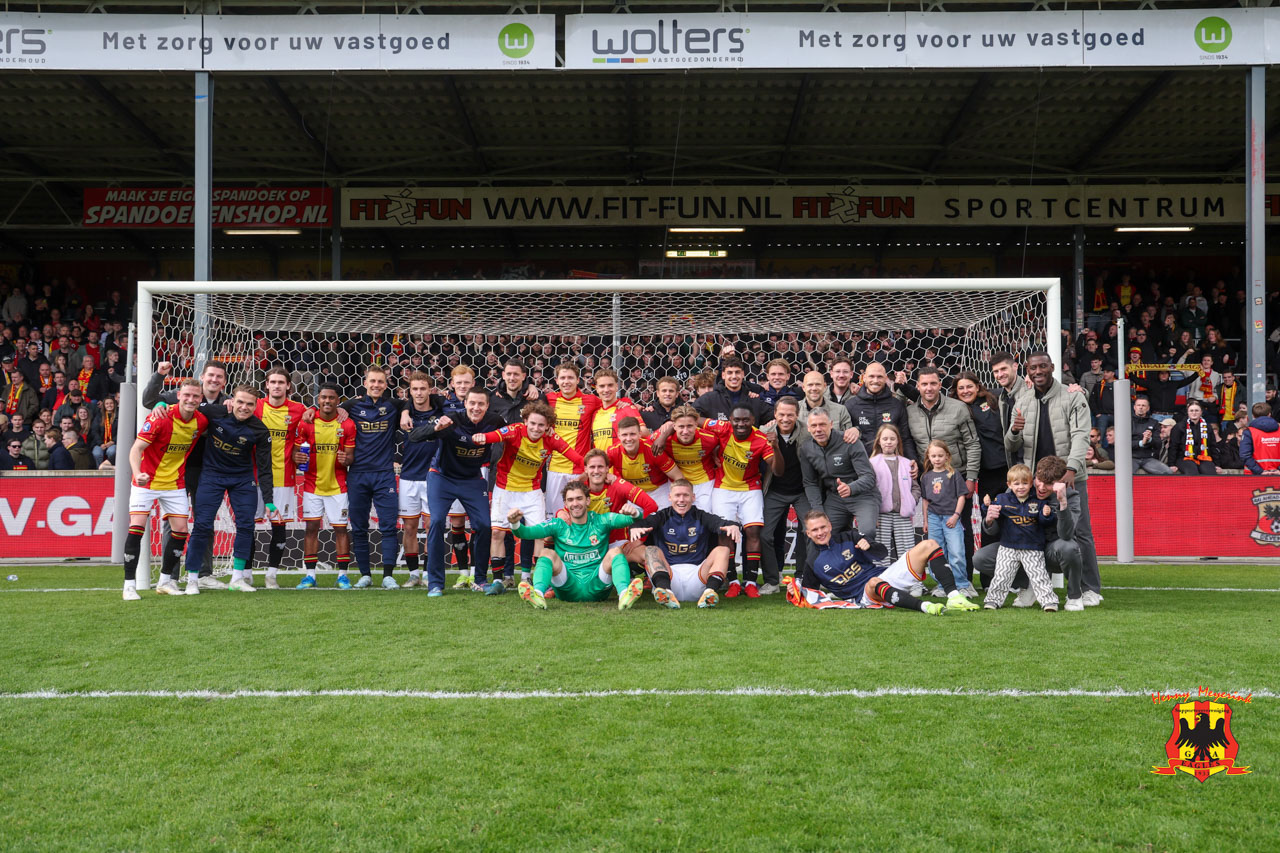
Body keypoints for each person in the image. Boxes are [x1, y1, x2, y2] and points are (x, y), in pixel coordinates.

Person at [1002, 351, 1100, 604]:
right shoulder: (1022, 401)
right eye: (1033, 368)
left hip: (1068, 477)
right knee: (1031, 532)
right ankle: (1035, 586)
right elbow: (1011, 445)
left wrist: (1072, 469)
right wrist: (1014, 431)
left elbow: (1081, 435)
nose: (1038, 372)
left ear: (1052, 367)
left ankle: (1090, 589)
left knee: (1080, 532)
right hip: (1036, 483)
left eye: (1043, 366)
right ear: (1027, 370)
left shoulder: (1073, 396)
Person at [471, 400, 583, 595]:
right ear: (525, 421)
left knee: (540, 535)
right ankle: (498, 581)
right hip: (505, 489)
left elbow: (576, 458)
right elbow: (494, 436)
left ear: (548, 426)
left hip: (532, 492)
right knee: (497, 533)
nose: (536, 428)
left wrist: (590, 470)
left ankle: (540, 580)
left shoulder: (552, 438)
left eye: (541, 425)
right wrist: (482, 437)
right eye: (532, 423)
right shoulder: (515, 430)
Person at [143, 359, 229, 587]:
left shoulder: (230, 403)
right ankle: (169, 575)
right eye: (210, 375)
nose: (214, 380)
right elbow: (149, 400)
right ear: (202, 377)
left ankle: (204, 573)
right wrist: (159, 378)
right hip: (176, 469)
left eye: (219, 377)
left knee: (204, 521)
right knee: (174, 522)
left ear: (224, 381)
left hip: (209, 470)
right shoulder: (184, 395)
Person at [121, 380, 209, 601]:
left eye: (196, 396)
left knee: (181, 530)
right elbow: (135, 449)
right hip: (147, 482)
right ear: (179, 395)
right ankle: (129, 586)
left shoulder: (201, 421)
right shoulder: (159, 417)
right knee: (137, 528)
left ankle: (164, 581)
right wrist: (137, 472)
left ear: (201, 399)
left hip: (175, 484)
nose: (191, 400)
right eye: (187, 395)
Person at [414, 387, 505, 595]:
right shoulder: (451, 419)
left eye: (481, 404)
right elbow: (414, 437)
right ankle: (436, 583)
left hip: (472, 480)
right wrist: (436, 428)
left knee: (483, 524)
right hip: (442, 477)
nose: (476, 407)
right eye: (472, 403)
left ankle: (480, 579)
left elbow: (514, 433)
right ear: (465, 403)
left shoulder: (495, 422)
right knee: (436, 521)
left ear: (487, 406)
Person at [184, 385, 274, 594]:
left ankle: (237, 578)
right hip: (211, 476)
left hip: (242, 479)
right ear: (232, 401)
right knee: (202, 525)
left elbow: (264, 467)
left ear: (255, 406)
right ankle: (192, 579)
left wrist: (268, 500)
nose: (244, 407)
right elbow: (187, 405)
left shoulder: (260, 430)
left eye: (249, 404)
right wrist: (162, 404)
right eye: (240, 402)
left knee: (245, 525)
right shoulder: (214, 414)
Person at [796, 510, 976, 614]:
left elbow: (881, 553)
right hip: (865, 595)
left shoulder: (849, 536)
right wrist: (795, 590)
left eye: (822, 527)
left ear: (829, 526)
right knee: (874, 583)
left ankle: (953, 597)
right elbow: (810, 592)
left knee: (929, 544)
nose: (820, 532)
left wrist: (868, 545)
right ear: (808, 533)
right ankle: (925, 607)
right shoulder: (812, 562)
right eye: (815, 530)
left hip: (886, 575)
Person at [325, 364, 405, 589]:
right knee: (359, 527)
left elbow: (414, 404)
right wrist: (313, 411)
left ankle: (388, 575)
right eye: (373, 381)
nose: (377, 385)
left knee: (388, 526)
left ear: (386, 383)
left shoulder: (393, 406)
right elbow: (326, 408)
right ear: (365, 383)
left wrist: (406, 411)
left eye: (380, 381)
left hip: (384, 475)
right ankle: (365, 574)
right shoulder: (351, 406)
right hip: (357, 474)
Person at [509, 480, 645, 611]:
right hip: (567, 586)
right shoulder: (558, 524)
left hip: (598, 585)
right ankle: (537, 594)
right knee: (546, 553)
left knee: (616, 551)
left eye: (579, 498)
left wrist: (634, 512)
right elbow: (526, 533)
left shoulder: (601, 520)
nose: (575, 503)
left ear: (587, 500)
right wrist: (514, 523)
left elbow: (633, 518)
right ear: (565, 504)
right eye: (570, 500)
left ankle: (624, 596)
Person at [975, 456, 1089, 609]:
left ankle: (1074, 595)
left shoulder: (1071, 496)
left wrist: (1062, 503)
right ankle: (1028, 586)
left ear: (1060, 481)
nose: (1041, 487)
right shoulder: (1020, 486)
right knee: (981, 558)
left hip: (1050, 550)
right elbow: (996, 528)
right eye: (1039, 481)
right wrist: (989, 520)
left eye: (1048, 484)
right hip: (1020, 546)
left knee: (1069, 547)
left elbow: (1067, 535)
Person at [627, 478, 741, 608]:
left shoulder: (701, 516)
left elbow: (720, 523)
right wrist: (635, 528)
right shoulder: (662, 516)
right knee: (651, 550)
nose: (681, 500)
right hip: (669, 577)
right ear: (670, 497)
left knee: (723, 550)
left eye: (686, 495)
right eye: (677, 495)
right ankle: (666, 593)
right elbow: (643, 523)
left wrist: (733, 526)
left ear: (693, 497)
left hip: (698, 577)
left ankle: (710, 592)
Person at [294, 383, 357, 589]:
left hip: (338, 487)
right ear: (318, 399)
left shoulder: (347, 425)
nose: (327, 401)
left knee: (341, 529)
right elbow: (296, 456)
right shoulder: (306, 423)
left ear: (339, 401)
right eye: (323, 397)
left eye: (331, 398)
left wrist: (345, 459)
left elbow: (350, 459)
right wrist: (298, 457)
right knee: (311, 528)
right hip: (312, 486)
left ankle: (342, 575)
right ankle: (310, 575)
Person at [253, 366, 307, 589]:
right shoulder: (254, 406)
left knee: (279, 526)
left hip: (284, 478)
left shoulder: (298, 409)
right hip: (254, 477)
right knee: (248, 527)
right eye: (272, 382)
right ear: (266, 385)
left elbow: (315, 414)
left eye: (280, 382)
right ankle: (245, 573)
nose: (276, 386)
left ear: (288, 386)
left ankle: (271, 574)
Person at [981, 464, 1058, 612]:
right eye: (1016, 484)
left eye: (1025, 483)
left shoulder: (1039, 502)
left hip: (1032, 547)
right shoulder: (1003, 499)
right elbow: (992, 510)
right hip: (1008, 547)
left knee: (1039, 576)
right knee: (1001, 575)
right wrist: (986, 506)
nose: (1021, 487)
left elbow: (1045, 522)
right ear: (1009, 485)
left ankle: (1049, 602)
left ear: (1031, 484)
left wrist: (1046, 515)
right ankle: (993, 600)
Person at [953, 370, 1008, 566]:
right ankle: (989, 576)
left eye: (969, 386)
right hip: (984, 472)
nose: (966, 391)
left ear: (978, 386)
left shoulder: (995, 398)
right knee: (989, 519)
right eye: (961, 388)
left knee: (1013, 517)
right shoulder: (955, 408)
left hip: (1008, 467)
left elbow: (1018, 391)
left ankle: (1015, 574)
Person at [799, 407, 878, 540]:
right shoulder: (806, 448)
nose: (818, 429)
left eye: (822, 424)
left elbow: (869, 477)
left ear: (831, 424)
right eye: (814, 425)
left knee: (867, 533)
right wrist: (819, 511)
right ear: (808, 428)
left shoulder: (849, 441)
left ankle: (864, 559)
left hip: (862, 496)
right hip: (835, 498)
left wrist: (851, 488)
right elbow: (810, 483)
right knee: (820, 535)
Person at [905, 366, 979, 500]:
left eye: (933, 383)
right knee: (933, 520)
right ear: (917, 386)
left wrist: (971, 478)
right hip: (928, 478)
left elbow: (972, 444)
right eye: (924, 384)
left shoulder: (959, 408)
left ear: (940, 385)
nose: (929, 388)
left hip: (957, 476)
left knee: (960, 521)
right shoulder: (910, 412)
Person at [760, 396, 809, 593]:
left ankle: (802, 577)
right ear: (775, 415)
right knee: (765, 534)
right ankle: (772, 581)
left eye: (790, 414)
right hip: (775, 490)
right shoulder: (764, 433)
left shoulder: (808, 433)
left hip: (802, 491)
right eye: (781, 414)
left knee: (809, 533)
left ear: (797, 415)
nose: (786, 418)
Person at [397, 371, 440, 590]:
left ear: (430, 390)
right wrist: (405, 409)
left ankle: (429, 574)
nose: (419, 393)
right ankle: (413, 574)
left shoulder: (440, 410)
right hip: (408, 478)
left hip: (433, 477)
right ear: (409, 391)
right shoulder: (403, 411)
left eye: (423, 388)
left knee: (432, 527)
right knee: (410, 527)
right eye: (415, 389)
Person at [543, 361, 601, 515]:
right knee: (554, 516)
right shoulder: (549, 399)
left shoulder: (591, 400)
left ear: (577, 380)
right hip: (555, 468)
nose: (566, 381)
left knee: (579, 514)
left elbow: (612, 404)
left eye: (570, 378)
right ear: (556, 381)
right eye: (562, 378)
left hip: (580, 469)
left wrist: (626, 402)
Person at [920, 439, 976, 597]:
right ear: (928, 457)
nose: (937, 459)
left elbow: (961, 497)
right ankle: (942, 585)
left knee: (956, 551)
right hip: (933, 518)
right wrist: (925, 521)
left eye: (940, 455)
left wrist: (956, 515)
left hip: (951, 518)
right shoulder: (926, 477)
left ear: (947, 457)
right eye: (933, 456)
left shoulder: (954, 474)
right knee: (937, 552)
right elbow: (925, 501)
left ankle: (962, 584)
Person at [844, 360, 916, 462]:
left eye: (880, 377)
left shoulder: (896, 405)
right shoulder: (851, 405)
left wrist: (912, 460)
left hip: (891, 465)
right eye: (871, 376)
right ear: (864, 377)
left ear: (886, 378)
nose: (875, 380)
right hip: (860, 466)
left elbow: (905, 439)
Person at [869, 424, 919, 563]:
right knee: (880, 552)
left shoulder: (907, 463)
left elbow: (915, 487)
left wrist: (911, 500)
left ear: (898, 441)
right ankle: (881, 582)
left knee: (907, 552)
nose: (889, 442)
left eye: (892, 438)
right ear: (879, 441)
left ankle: (910, 583)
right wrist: (872, 513)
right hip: (881, 515)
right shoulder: (872, 463)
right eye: (885, 438)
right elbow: (868, 490)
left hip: (902, 514)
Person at [657, 405, 721, 510]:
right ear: (674, 426)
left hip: (704, 483)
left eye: (689, 426)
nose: (685, 431)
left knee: (705, 517)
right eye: (681, 426)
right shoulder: (662, 440)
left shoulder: (710, 439)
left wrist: (716, 451)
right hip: (676, 483)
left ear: (696, 424)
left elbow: (722, 442)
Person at [608, 416, 678, 510]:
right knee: (635, 522)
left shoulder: (652, 449)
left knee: (662, 521)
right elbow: (596, 471)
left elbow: (678, 476)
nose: (628, 439)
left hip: (659, 491)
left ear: (640, 434)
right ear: (619, 435)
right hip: (634, 492)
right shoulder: (612, 452)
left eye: (632, 434)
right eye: (624, 435)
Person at [693, 356, 772, 424]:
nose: (734, 376)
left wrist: (770, 424)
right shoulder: (709, 399)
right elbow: (691, 416)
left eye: (737, 372)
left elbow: (774, 416)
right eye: (730, 373)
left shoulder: (754, 400)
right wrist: (712, 425)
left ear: (743, 374)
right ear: (723, 375)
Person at [590, 367, 643, 451]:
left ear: (616, 386)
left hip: (622, 462)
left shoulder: (626, 408)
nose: (606, 390)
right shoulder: (594, 413)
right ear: (596, 389)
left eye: (610, 385)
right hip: (601, 463)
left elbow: (644, 432)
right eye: (602, 386)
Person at [796, 370, 853, 436]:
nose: (814, 388)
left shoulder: (840, 411)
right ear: (803, 387)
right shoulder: (794, 410)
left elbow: (849, 438)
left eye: (818, 384)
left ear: (824, 386)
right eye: (810, 385)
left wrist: (856, 430)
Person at [1170, 401, 1219, 475]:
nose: (1194, 413)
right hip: (1184, 458)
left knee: (1210, 472)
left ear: (1201, 412)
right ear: (1188, 412)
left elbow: (1212, 446)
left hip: (1203, 457)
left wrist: (1217, 464)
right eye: (1191, 410)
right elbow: (1173, 446)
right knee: (1192, 471)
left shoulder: (1207, 427)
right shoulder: (1179, 427)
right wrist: (1171, 464)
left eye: (1196, 410)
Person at [1131, 396, 1175, 475]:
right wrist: (1141, 443)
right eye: (1138, 405)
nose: (1141, 407)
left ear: (1148, 408)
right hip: (1131, 458)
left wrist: (1150, 439)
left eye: (1143, 405)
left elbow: (1158, 443)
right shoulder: (1127, 421)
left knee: (1168, 472)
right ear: (1134, 407)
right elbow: (1123, 444)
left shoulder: (1154, 422)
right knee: (1124, 476)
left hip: (1148, 458)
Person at [1241, 401, 1280, 475]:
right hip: (1277, 474)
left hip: (1253, 476)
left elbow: (1245, 455)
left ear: (1253, 416)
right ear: (1269, 414)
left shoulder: (1249, 432)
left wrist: (1259, 471)